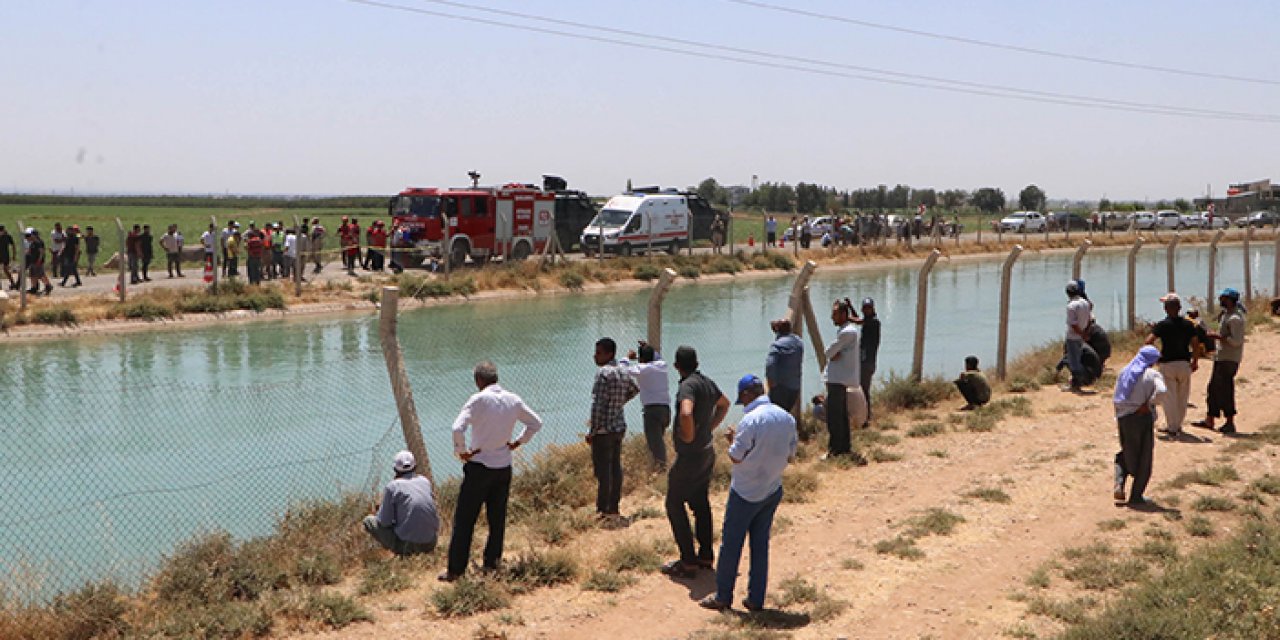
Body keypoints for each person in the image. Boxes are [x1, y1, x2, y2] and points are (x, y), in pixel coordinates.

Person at [700, 374, 797, 612]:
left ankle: (723, 596)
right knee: (760, 545)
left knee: (731, 545)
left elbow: (736, 456)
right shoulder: (786, 417)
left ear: (746, 395)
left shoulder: (750, 420)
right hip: (772, 487)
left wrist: (732, 440)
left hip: (745, 491)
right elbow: (791, 455)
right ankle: (756, 599)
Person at [441, 361, 542, 582]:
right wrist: (518, 442)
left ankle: (456, 570)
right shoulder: (513, 400)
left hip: (479, 466)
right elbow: (536, 423)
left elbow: (457, 427)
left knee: (465, 520)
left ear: (478, 380)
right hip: (503, 466)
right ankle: (492, 565)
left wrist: (461, 451)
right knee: (497, 520)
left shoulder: (478, 400)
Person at [662, 346, 730, 578]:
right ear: (697, 362)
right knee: (700, 502)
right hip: (706, 452)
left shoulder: (687, 386)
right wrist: (709, 428)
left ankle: (688, 561)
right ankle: (705, 555)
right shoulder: (707, 383)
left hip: (690, 456)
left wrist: (689, 435)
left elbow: (686, 412)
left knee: (674, 503)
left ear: (676, 366)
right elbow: (724, 404)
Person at [587, 337, 639, 523]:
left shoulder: (603, 373)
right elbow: (634, 389)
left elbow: (598, 405)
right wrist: (618, 404)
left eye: (598, 352)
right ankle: (614, 507)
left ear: (609, 354)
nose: (595, 356)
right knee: (615, 468)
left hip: (604, 430)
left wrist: (593, 430)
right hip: (618, 427)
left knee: (603, 472)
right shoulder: (623, 371)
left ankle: (603, 510)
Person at [1112, 346, 1166, 506]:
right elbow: (1162, 391)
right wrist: (1149, 403)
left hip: (1124, 418)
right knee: (1144, 457)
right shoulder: (1153, 375)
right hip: (1142, 418)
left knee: (1126, 452)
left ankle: (1119, 483)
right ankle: (1136, 496)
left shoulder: (1124, 372)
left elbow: (1116, 396)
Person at [1145, 293, 1204, 438]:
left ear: (1166, 309)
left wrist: (1155, 356)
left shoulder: (1163, 325)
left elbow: (1148, 341)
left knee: (1169, 396)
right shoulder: (1188, 324)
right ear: (1180, 308)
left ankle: (1172, 426)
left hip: (1168, 363)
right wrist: (1195, 361)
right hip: (1184, 363)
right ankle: (1178, 424)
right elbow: (1195, 344)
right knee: (1182, 396)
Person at [362, 450, 439, 556]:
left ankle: (397, 552)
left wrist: (380, 511)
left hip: (407, 546)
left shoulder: (392, 487)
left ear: (395, 470)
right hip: (431, 542)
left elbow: (384, 522)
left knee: (369, 521)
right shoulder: (425, 481)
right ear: (415, 466)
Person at [1193, 288, 1246, 434]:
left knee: (1225, 390)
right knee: (1214, 389)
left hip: (1229, 359)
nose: (1220, 300)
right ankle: (1210, 418)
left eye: (1223, 298)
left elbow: (1236, 341)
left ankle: (1229, 422)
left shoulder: (1235, 319)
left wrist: (1218, 337)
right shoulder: (1226, 315)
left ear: (1230, 300)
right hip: (1222, 357)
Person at [620, 341, 671, 470]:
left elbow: (622, 370)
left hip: (652, 411)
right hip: (665, 409)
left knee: (655, 444)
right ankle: (656, 467)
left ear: (641, 359)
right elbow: (657, 357)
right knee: (658, 441)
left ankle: (661, 470)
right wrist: (648, 348)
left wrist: (627, 357)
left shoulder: (642, 369)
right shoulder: (662, 365)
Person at [822, 298, 862, 458]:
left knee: (835, 417)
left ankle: (835, 450)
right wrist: (834, 354)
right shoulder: (847, 331)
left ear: (844, 314)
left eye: (835, 314)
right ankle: (844, 448)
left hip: (838, 379)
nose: (832, 317)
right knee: (841, 415)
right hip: (839, 378)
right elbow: (833, 353)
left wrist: (832, 353)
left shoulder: (847, 333)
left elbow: (828, 352)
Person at [764, 318, 803, 412]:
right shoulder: (799, 343)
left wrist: (770, 382)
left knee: (776, 413)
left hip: (780, 387)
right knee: (786, 412)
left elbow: (770, 365)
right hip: (795, 386)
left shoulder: (777, 345)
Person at [854, 297, 881, 427]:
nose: (866, 310)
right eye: (865, 308)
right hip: (863, 361)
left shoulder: (874, 322)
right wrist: (850, 307)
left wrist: (845, 317)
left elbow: (858, 321)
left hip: (867, 363)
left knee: (864, 391)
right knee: (861, 390)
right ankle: (863, 416)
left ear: (873, 309)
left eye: (869, 308)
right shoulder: (867, 322)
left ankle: (866, 418)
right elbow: (859, 321)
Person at [1063, 280, 1092, 392]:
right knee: (1078, 359)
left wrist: (1081, 333)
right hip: (1081, 335)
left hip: (1073, 337)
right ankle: (1077, 382)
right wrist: (1085, 333)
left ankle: (1076, 384)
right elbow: (1089, 320)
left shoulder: (1071, 306)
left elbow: (1073, 324)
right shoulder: (1085, 303)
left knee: (1074, 361)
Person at [24, 229, 53, 296]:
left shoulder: (39, 242)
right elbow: (30, 250)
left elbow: (41, 252)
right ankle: (34, 288)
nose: (31, 236)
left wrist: (39, 260)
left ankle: (48, 286)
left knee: (41, 275)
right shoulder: (33, 242)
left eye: (32, 235)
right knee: (32, 275)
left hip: (38, 261)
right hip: (32, 261)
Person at [0, 225, 15, 289]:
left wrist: (14, 255)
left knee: (6, 270)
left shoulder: (7, 236)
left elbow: (13, 245)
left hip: (5, 255)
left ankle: (12, 283)